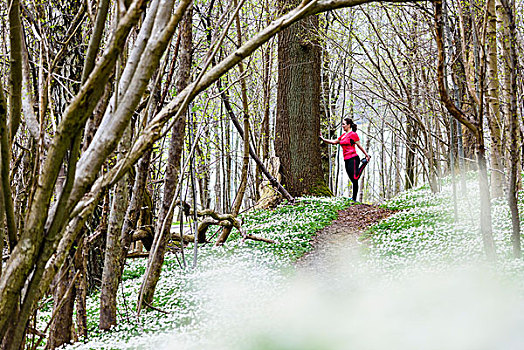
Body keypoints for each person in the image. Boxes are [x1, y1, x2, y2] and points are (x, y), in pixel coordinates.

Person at [320, 118, 371, 201]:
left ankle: (354, 198)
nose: (342, 126)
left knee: (355, 178)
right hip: (346, 159)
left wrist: (366, 155)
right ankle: (353, 198)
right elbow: (334, 142)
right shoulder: (343, 135)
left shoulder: (353, 134)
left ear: (349, 125)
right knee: (352, 179)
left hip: (353, 158)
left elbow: (359, 145)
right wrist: (323, 139)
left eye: (344, 124)